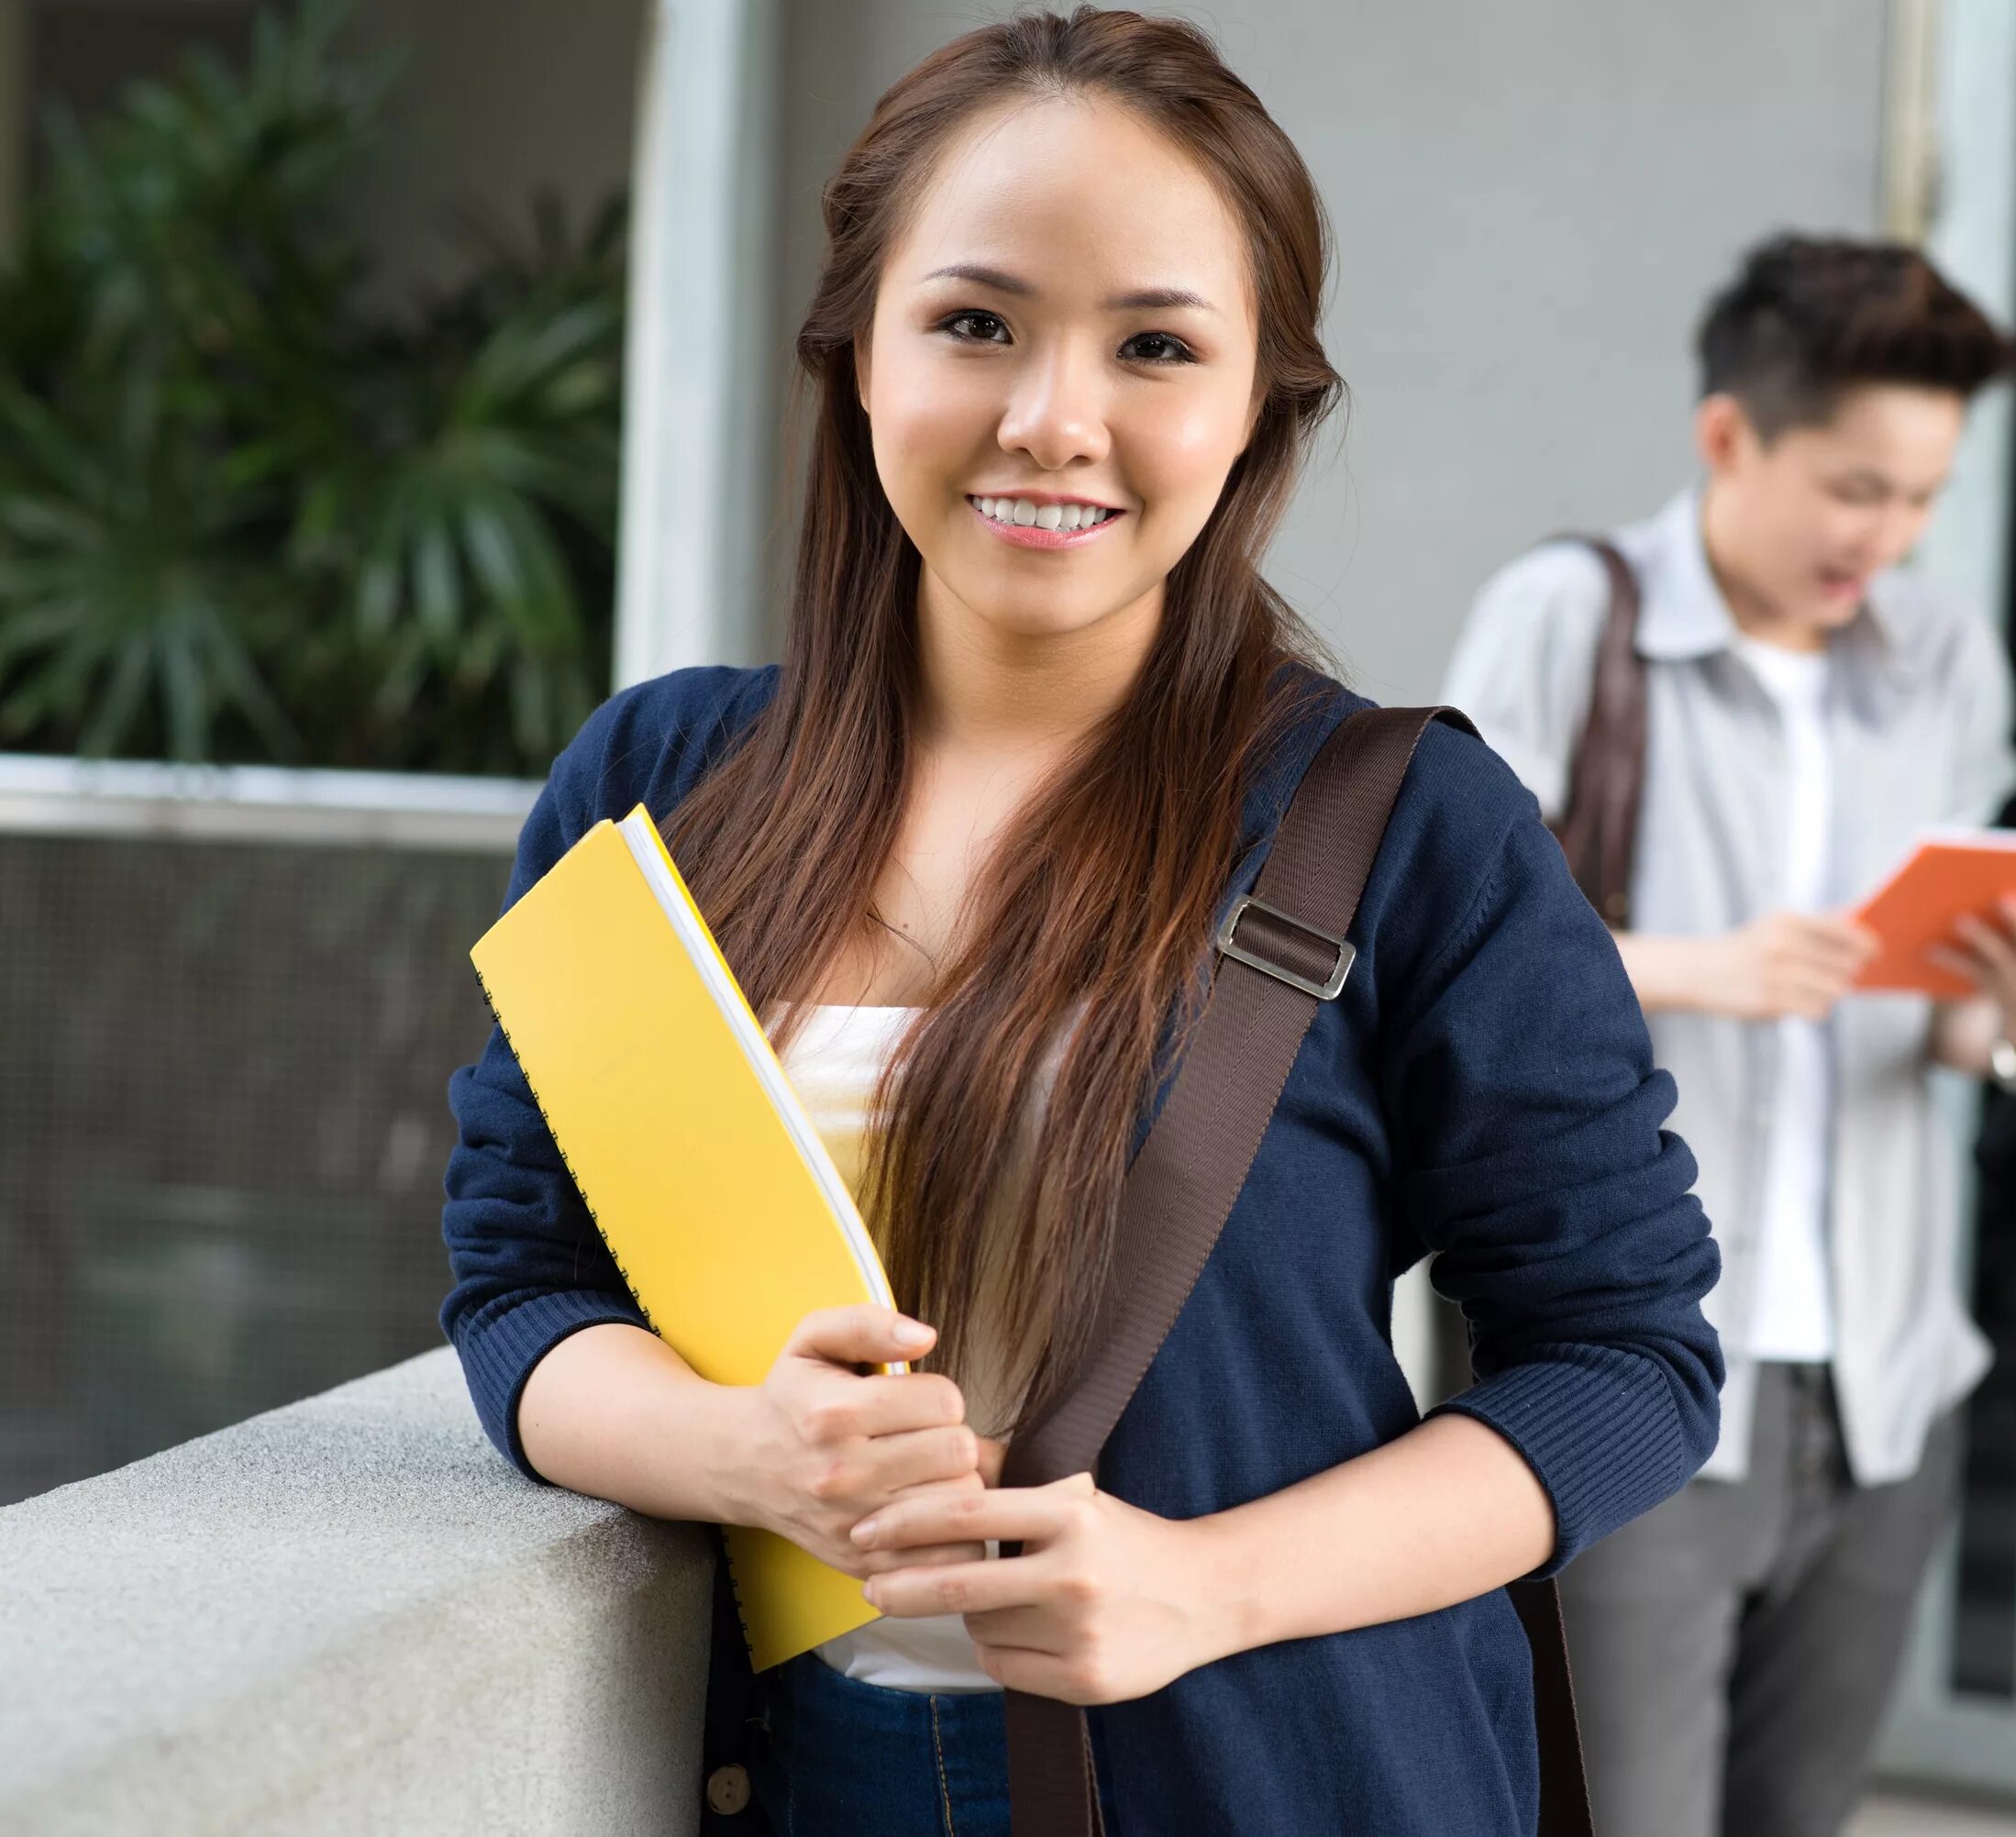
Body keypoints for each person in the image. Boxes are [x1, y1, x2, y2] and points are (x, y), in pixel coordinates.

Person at [438, 13, 1722, 1835]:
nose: (1056, 417)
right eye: (977, 323)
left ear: (1258, 396)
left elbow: (1626, 1361)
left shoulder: (1411, 827)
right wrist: (744, 1450)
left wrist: (1214, 1586)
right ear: (855, 354)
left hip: (1266, 1771)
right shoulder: (652, 789)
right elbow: (524, 1284)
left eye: (1155, 346)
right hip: (793, 1779)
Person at [1446, 236, 2016, 1837]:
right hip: (1643, 1362)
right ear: (1726, 439)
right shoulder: (1569, 618)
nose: (1885, 539)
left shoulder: (1946, 661)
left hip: (1889, 1386)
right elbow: (1440, 971)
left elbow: (1957, 1029)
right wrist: (1707, 965)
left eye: (1919, 498)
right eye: (1853, 489)